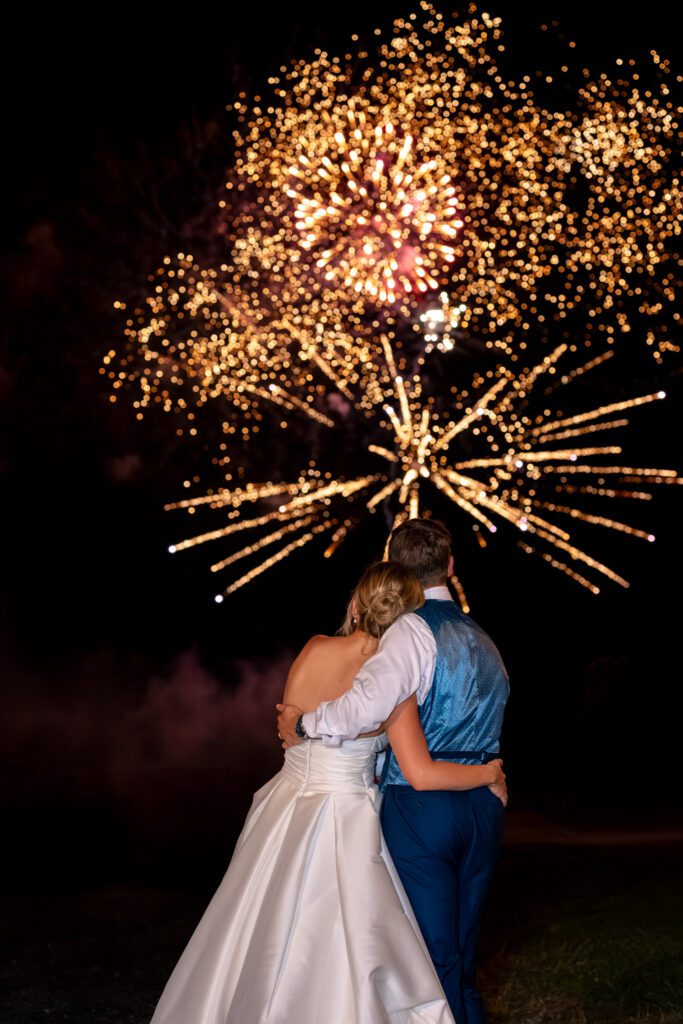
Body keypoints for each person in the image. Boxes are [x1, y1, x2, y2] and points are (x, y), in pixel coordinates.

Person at [150, 561, 506, 1024]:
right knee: (344, 941)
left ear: (356, 606)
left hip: (284, 807)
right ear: (408, 620)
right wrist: (487, 774)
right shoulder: (392, 687)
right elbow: (420, 772)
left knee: (255, 926)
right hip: (346, 816)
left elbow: (291, 734)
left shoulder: (314, 648)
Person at [278, 519, 510, 1024]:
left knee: (428, 957)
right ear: (450, 565)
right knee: (463, 955)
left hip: (422, 808)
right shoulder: (485, 639)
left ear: (395, 568)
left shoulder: (410, 629)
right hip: (484, 807)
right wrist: (490, 774)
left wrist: (304, 722)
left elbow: (363, 706)